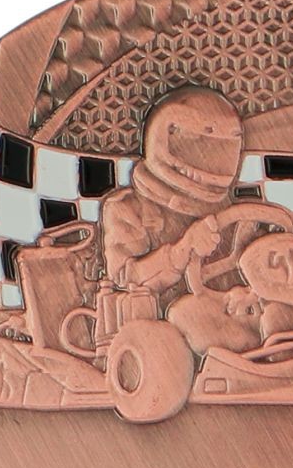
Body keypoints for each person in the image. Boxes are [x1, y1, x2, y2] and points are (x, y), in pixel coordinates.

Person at [102, 87, 266, 353]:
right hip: (166, 335)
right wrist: (183, 249)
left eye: (222, 150)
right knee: (190, 315)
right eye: (203, 147)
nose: (213, 161)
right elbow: (126, 278)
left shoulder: (232, 211)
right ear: (167, 139)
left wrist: (252, 289)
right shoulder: (128, 209)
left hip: (235, 312)